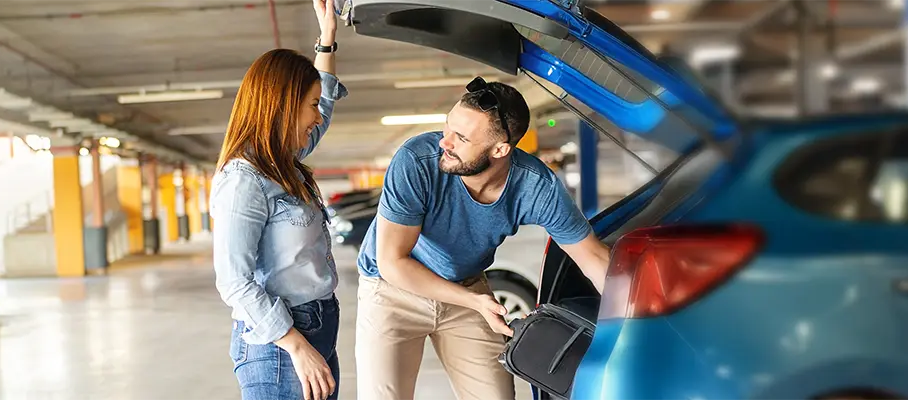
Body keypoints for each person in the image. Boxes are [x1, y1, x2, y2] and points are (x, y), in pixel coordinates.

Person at [354, 77, 612, 400]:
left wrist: (633, 326)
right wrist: (474, 302)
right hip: (392, 291)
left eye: (460, 138)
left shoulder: (535, 186)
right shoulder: (416, 162)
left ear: (500, 149)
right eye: (447, 128)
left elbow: (594, 259)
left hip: (465, 284)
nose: (444, 143)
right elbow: (393, 263)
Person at [209, 1, 346, 399]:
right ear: (283, 107)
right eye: (309, 106)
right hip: (280, 345)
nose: (317, 117)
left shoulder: (281, 162)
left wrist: (327, 43)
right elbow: (234, 281)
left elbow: (327, 109)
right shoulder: (244, 180)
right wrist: (296, 345)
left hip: (317, 328)